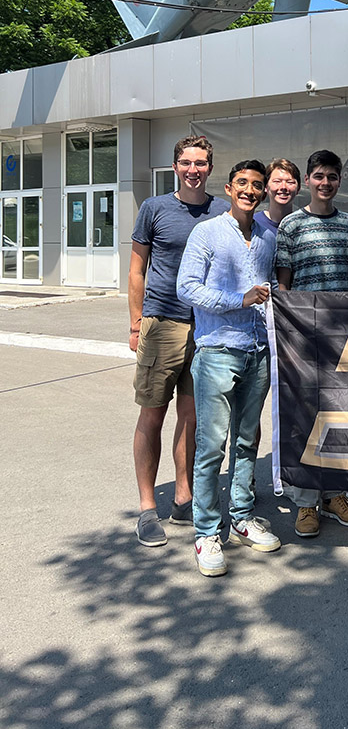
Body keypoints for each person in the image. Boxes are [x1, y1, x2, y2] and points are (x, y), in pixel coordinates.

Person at [177, 159, 281, 576]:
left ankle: (240, 517)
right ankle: (206, 531)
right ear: (229, 187)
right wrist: (238, 299)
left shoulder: (268, 235)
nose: (251, 191)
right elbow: (186, 287)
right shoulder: (207, 232)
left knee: (247, 441)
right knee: (211, 446)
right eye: (243, 184)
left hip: (258, 350)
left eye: (257, 185)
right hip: (218, 350)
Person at [129, 136, 228, 548]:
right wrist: (136, 323)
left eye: (201, 163)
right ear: (175, 167)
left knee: (191, 417)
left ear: (209, 168)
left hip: (207, 326)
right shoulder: (154, 208)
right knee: (153, 415)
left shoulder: (221, 209)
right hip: (163, 323)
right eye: (186, 162)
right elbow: (137, 269)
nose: (193, 169)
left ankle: (184, 496)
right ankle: (147, 507)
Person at [275, 149, 348, 538]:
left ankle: (334, 496)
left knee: (339, 417)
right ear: (309, 181)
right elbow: (283, 285)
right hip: (303, 337)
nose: (326, 182)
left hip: (344, 337)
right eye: (319, 176)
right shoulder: (292, 227)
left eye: (332, 176)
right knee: (305, 418)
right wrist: (290, 333)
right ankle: (305, 503)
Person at [254, 158, 301, 236]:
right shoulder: (254, 223)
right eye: (277, 181)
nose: (283, 187)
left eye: (290, 182)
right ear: (265, 187)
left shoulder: (305, 225)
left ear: (298, 188)